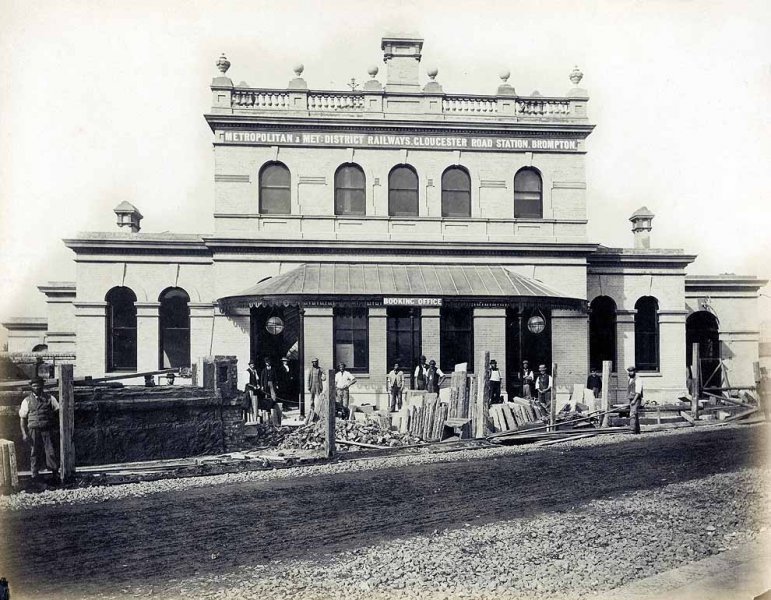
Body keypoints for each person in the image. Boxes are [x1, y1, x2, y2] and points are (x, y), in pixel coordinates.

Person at [19, 377, 60, 481]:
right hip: (33, 430)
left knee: (50, 451)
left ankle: (55, 473)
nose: (37, 387)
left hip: (47, 429)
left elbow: (58, 412)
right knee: (34, 451)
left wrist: (55, 426)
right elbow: (22, 418)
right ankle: (34, 474)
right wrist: (24, 433)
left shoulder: (50, 398)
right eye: (34, 385)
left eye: (38, 385)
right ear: (31, 387)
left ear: (42, 386)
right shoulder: (27, 401)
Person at [260, 357, 281, 426]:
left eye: (268, 362)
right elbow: (262, 378)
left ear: (270, 363)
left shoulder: (273, 370)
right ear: (265, 364)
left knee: (273, 394)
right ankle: (267, 407)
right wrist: (262, 385)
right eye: (266, 363)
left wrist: (276, 384)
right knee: (266, 395)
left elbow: (276, 377)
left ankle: (273, 403)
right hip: (266, 384)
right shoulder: (264, 370)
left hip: (272, 383)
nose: (267, 364)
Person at [306, 357, 326, 422]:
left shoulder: (320, 369)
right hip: (312, 385)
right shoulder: (311, 369)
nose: (315, 363)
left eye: (316, 362)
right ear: (312, 363)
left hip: (318, 385)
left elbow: (326, 373)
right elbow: (308, 378)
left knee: (319, 398)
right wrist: (308, 386)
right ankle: (312, 410)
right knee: (312, 398)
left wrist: (323, 378)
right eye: (314, 362)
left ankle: (319, 410)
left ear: (317, 362)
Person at [627, 365, 644, 434]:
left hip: (636, 399)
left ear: (634, 371)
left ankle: (632, 430)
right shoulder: (630, 379)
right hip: (631, 399)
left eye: (632, 371)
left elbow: (638, 392)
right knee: (635, 414)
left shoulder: (638, 379)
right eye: (629, 371)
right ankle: (637, 430)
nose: (630, 373)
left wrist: (634, 400)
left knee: (632, 414)